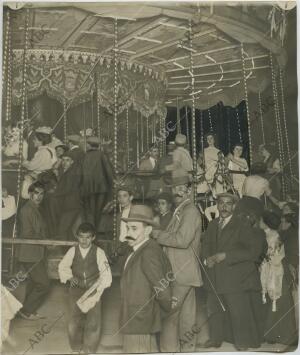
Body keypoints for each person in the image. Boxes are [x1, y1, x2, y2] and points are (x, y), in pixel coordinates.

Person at [201, 193, 263, 350]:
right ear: (217, 205)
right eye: (221, 203)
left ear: (234, 206)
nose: (224, 207)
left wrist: (226, 256)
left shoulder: (242, 224)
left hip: (234, 278)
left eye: (228, 204)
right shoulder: (213, 224)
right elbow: (206, 245)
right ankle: (215, 340)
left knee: (237, 312)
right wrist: (206, 258)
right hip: (214, 276)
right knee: (214, 310)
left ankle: (242, 343)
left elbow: (252, 252)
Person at [152, 169, 202, 352]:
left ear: (189, 190)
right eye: (174, 188)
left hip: (181, 271)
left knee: (169, 313)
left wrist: (157, 234)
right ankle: (187, 349)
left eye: (182, 188)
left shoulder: (190, 211)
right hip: (185, 272)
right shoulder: (180, 211)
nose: (177, 192)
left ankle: (168, 350)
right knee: (186, 316)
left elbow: (182, 240)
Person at [120, 205, 173, 353]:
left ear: (148, 230)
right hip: (137, 319)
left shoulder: (149, 253)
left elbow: (163, 290)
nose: (129, 233)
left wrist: (160, 311)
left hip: (140, 321)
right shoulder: (139, 249)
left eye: (134, 229)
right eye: (128, 228)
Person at [58, 222, 112, 353]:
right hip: (76, 290)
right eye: (81, 237)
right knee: (74, 320)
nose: (84, 240)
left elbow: (106, 273)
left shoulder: (99, 252)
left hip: (93, 290)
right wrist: (70, 277)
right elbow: (62, 266)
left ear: (93, 238)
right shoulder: (72, 250)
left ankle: (89, 349)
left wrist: (98, 288)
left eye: (88, 237)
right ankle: (75, 347)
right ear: (77, 236)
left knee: (93, 322)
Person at [259, 211, 296, 345]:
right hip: (270, 269)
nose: (259, 222)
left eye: (261, 221)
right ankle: (272, 333)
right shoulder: (269, 234)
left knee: (278, 301)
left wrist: (262, 260)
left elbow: (274, 256)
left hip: (275, 271)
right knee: (273, 301)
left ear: (266, 223)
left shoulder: (273, 236)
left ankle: (279, 334)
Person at [16, 181, 50, 320]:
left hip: (36, 252)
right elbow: (27, 233)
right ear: (30, 194)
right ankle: (26, 310)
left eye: (42, 194)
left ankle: (26, 311)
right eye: (36, 193)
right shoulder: (27, 210)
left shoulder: (35, 208)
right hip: (30, 253)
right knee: (44, 284)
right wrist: (44, 240)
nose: (39, 196)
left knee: (33, 282)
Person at [81, 136, 114, 229]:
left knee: (90, 211)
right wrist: (112, 182)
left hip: (88, 187)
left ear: (89, 145)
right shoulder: (102, 155)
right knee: (98, 211)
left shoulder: (85, 156)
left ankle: (91, 229)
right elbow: (108, 170)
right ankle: (95, 229)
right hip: (101, 187)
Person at [55, 151, 83, 240]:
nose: (64, 163)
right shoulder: (68, 171)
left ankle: (63, 251)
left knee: (62, 229)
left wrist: (54, 193)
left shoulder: (71, 173)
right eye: (63, 160)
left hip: (71, 205)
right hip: (71, 204)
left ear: (72, 162)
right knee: (69, 229)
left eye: (67, 160)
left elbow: (67, 189)